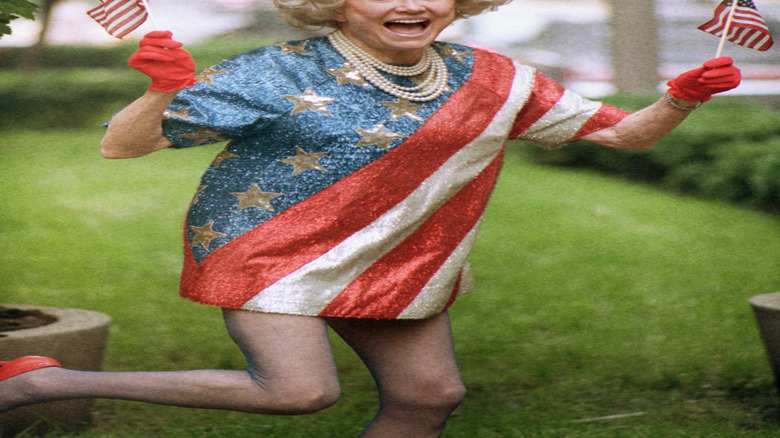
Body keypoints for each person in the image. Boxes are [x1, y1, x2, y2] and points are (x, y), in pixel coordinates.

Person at [0, 0, 741, 435]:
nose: (411, 2)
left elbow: (619, 133)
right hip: (270, 250)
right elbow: (124, 146)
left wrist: (682, 95)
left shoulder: (497, 77)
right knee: (298, 392)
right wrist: (161, 92)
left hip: (401, 259)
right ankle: (44, 385)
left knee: (429, 398)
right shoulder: (274, 71)